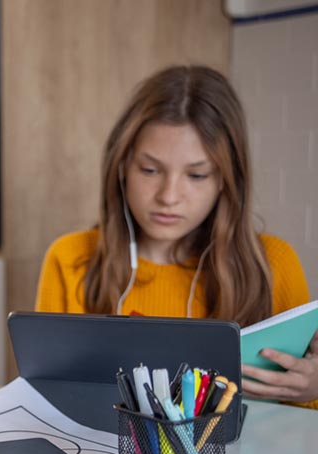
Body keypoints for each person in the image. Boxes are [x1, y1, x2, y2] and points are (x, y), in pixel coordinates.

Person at [35, 65, 318, 408]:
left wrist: (311, 389)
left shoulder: (275, 265)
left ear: (226, 181)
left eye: (196, 175)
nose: (169, 196)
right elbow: (42, 400)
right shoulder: (71, 259)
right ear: (121, 166)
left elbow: (303, 428)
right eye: (150, 170)